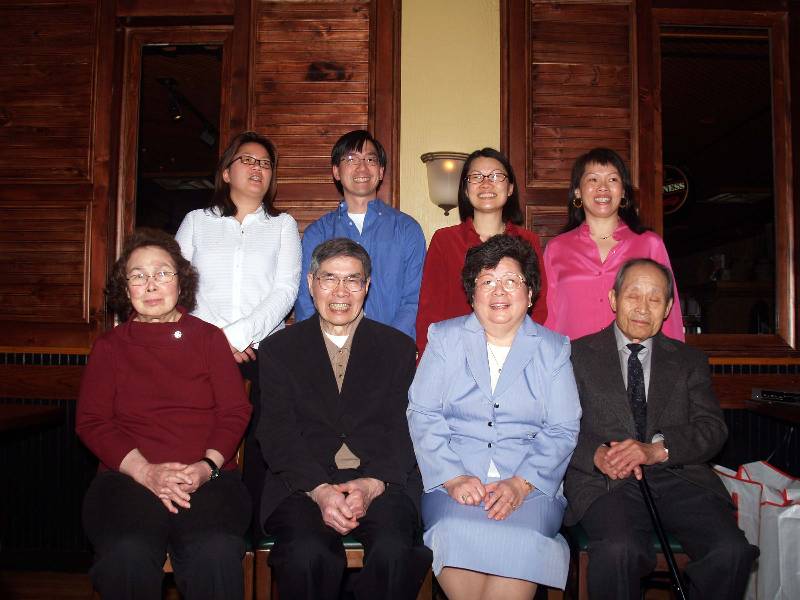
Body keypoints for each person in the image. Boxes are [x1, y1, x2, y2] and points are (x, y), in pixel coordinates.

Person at [564, 257, 758, 600]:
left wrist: (657, 449)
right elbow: (557, 427)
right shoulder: (576, 355)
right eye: (633, 295)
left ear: (668, 308)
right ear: (613, 299)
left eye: (654, 299)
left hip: (679, 477)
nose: (643, 307)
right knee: (619, 549)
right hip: (606, 482)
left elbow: (712, 428)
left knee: (731, 551)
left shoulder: (688, 361)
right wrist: (596, 454)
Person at [76, 228, 252, 600]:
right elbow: (92, 422)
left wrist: (205, 467)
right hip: (127, 479)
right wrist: (145, 471)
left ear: (180, 282)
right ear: (125, 289)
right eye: (138, 276)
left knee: (215, 551)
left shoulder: (209, 339)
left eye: (162, 273)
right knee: (127, 553)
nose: (151, 284)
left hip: (208, 478)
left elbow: (234, 412)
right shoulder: (109, 347)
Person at [256, 238, 432, 600]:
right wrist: (319, 490)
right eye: (329, 278)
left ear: (367, 287)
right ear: (311, 283)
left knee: (394, 552)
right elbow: (277, 432)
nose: (340, 291)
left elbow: (406, 428)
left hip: (381, 480)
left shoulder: (398, 348)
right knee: (307, 554)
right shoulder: (278, 350)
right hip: (302, 484)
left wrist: (373, 483)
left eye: (353, 280)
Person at [408, 234, 582, 599]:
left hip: (530, 488)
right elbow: (423, 413)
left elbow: (562, 428)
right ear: (472, 294)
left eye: (511, 281)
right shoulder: (444, 339)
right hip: (455, 485)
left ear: (530, 294)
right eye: (486, 281)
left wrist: (520, 483)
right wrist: (453, 477)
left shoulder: (553, 349)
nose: (498, 291)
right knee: (451, 530)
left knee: (523, 537)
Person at [175, 131, 301, 530]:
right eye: (247, 160)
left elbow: (285, 291)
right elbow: (179, 285)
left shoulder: (282, 225)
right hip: (200, 352)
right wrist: (217, 341)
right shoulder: (197, 222)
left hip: (263, 352)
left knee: (263, 445)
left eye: (265, 163)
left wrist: (237, 337)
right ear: (227, 172)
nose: (257, 168)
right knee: (201, 438)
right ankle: (202, 524)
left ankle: (254, 534)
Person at [293, 130, 426, 339]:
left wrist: (390, 345)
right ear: (336, 171)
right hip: (328, 347)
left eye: (370, 159)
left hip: (391, 347)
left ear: (381, 171)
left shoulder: (407, 230)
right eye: (351, 159)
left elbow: (414, 299)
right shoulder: (317, 233)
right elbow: (305, 299)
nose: (362, 167)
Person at [415, 148, 547, 357]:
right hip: (456, 356)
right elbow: (429, 312)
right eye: (476, 177)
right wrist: (428, 361)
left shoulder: (528, 240)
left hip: (514, 354)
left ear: (510, 187)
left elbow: (539, 306)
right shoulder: (444, 240)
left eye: (496, 176)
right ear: (466, 190)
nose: (486, 183)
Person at [543, 147, 684, 341]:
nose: (603, 187)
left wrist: (674, 357)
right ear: (577, 192)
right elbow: (548, 317)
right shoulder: (556, 248)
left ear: (623, 191)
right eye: (593, 179)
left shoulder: (650, 244)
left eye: (612, 179)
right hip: (571, 357)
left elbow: (668, 311)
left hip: (634, 358)